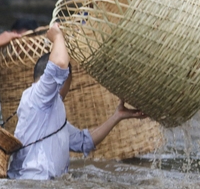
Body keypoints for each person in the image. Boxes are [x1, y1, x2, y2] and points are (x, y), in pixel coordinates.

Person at [8, 23, 146, 179]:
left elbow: (85, 142)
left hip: (41, 188)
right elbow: (60, 64)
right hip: (35, 186)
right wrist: (57, 36)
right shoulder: (38, 95)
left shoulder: (50, 110)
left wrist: (117, 116)